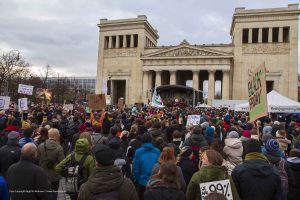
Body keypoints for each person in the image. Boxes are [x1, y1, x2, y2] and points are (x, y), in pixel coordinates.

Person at [37, 128, 65, 200]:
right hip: (55, 175)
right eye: (58, 133)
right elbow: (62, 162)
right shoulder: (59, 148)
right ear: (56, 136)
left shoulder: (40, 146)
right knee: (54, 193)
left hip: (42, 174)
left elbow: (37, 159)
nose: (59, 135)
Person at [133, 133, 160, 199]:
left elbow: (136, 168)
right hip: (155, 182)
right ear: (151, 141)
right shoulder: (157, 151)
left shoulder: (138, 152)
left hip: (142, 181)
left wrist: (136, 179)